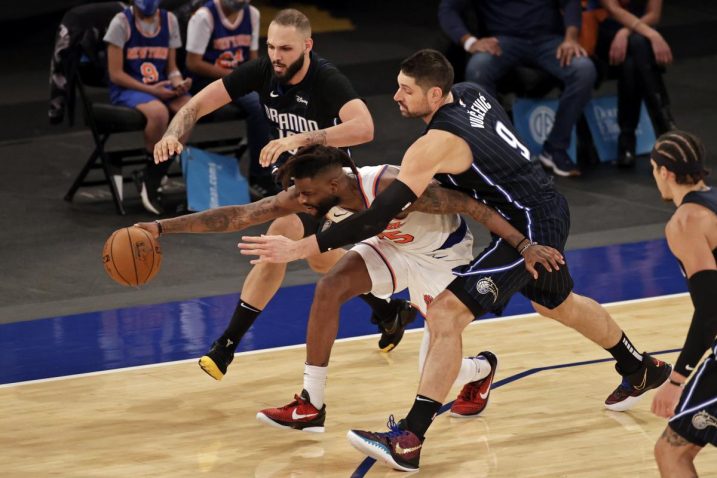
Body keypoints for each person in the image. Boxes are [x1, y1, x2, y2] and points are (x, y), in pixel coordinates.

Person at [238, 50, 672, 472]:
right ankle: (639, 366)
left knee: (446, 312)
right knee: (557, 303)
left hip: (529, 224)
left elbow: (374, 217)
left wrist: (303, 248)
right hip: (540, 207)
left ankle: (409, 438)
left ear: (434, 95)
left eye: (406, 90)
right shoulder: (468, 91)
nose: (396, 97)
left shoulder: (434, 145)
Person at [137, 144, 563, 431]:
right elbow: (241, 214)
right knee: (330, 285)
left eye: (307, 193)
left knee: (434, 371)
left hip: (441, 258)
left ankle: (482, 368)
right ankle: (310, 404)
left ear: (335, 186)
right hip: (392, 248)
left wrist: (525, 246)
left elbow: (473, 207)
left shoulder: (395, 186)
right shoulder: (316, 191)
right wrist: (159, 227)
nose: (301, 202)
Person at [152, 8, 416, 379]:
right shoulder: (263, 71)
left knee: (277, 240)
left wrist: (302, 138)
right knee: (322, 261)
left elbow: (366, 126)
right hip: (294, 182)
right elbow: (197, 104)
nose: (277, 55)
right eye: (272, 46)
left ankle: (225, 346)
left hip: (331, 183)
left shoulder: (326, 79)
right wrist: (171, 134)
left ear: (308, 46)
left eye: (286, 49)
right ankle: (390, 311)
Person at [438, 0, 596, 177]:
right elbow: (448, 8)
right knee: (478, 68)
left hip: (548, 40)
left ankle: (556, 147)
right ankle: (495, 150)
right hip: (502, 41)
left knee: (584, 70)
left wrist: (571, 38)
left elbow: (570, 3)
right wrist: (469, 41)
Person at [647, 131, 717, 477]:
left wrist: (676, 380)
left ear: (666, 173)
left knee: (671, 453)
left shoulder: (686, 222)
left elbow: (710, 310)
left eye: (654, 169)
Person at [104, 0, 193, 214]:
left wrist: (178, 83)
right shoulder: (121, 23)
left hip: (161, 86)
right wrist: (152, 91)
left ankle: (150, 175)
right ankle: (152, 180)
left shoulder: (169, 20)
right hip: (128, 89)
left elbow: (171, 68)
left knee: (190, 107)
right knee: (159, 113)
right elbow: (115, 74)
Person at [185, 0, 275, 197]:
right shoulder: (204, 16)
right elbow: (192, 63)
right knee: (260, 106)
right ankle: (260, 175)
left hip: (239, 80)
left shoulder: (252, 14)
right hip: (207, 82)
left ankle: (281, 166)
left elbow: (252, 58)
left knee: (281, 96)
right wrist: (238, 78)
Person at [597, 0, 676, 167]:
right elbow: (613, 9)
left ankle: (626, 139)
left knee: (632, 60)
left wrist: (626, 32)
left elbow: (654, 14)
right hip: (606, 33)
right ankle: (665, 128)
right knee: (638, 45)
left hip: (637, 35)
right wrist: (652, 34)